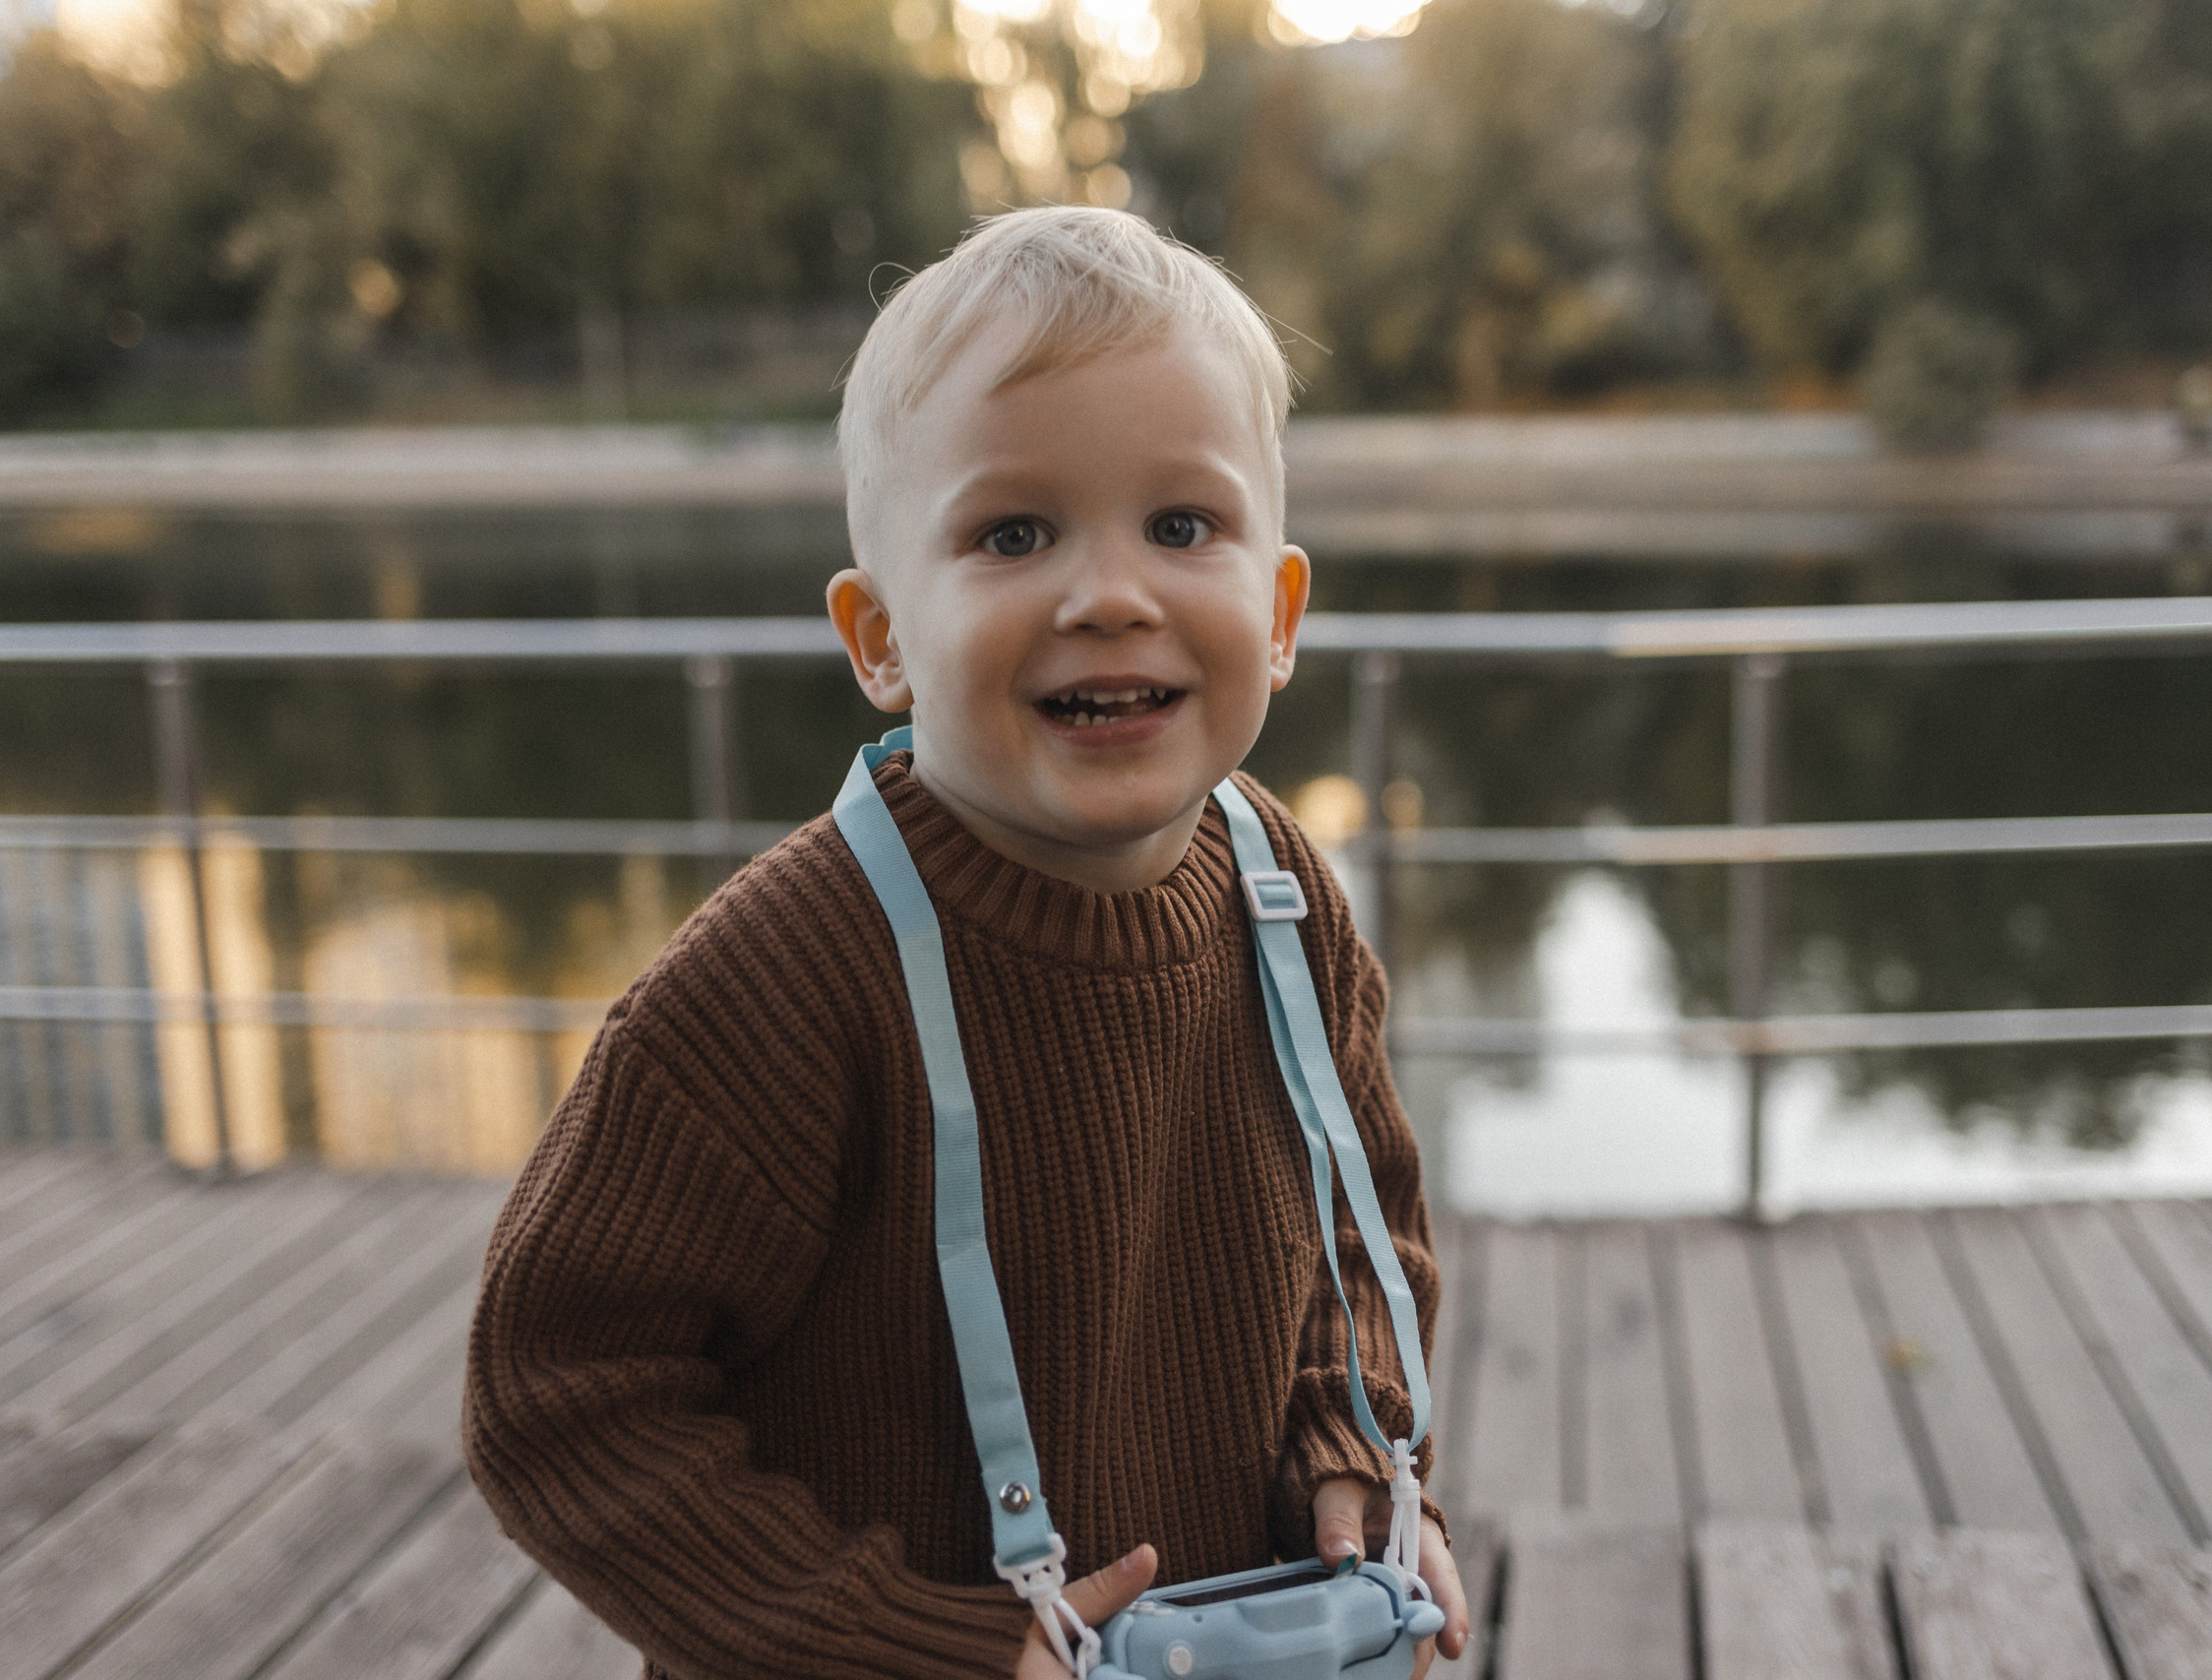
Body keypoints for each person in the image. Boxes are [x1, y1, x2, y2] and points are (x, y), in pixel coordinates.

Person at [463, 206, 1469, 1679]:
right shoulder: (781, 981)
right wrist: (910, 1646)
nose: (1109, 594)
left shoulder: (1287, 898)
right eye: (1014, 533)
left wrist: (1352, 1442)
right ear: (879, 639)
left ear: (1280, 608)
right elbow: (559, 1399)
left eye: (1181, 526)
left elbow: (1362, 1229)